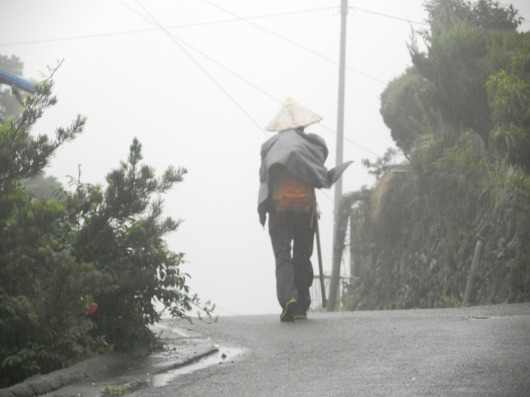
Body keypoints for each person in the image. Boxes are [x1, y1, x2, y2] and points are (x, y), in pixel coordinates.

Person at [258, 98, 352, 322]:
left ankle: (288, 298)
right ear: (302, 126)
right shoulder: (311, 144)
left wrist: (265, 208)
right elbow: (318, 170)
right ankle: (302, 302)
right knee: (302, 255)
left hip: (279, 210)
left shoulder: (270, 146)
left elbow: (265, 179)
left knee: (283, 255)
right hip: (304, 209)